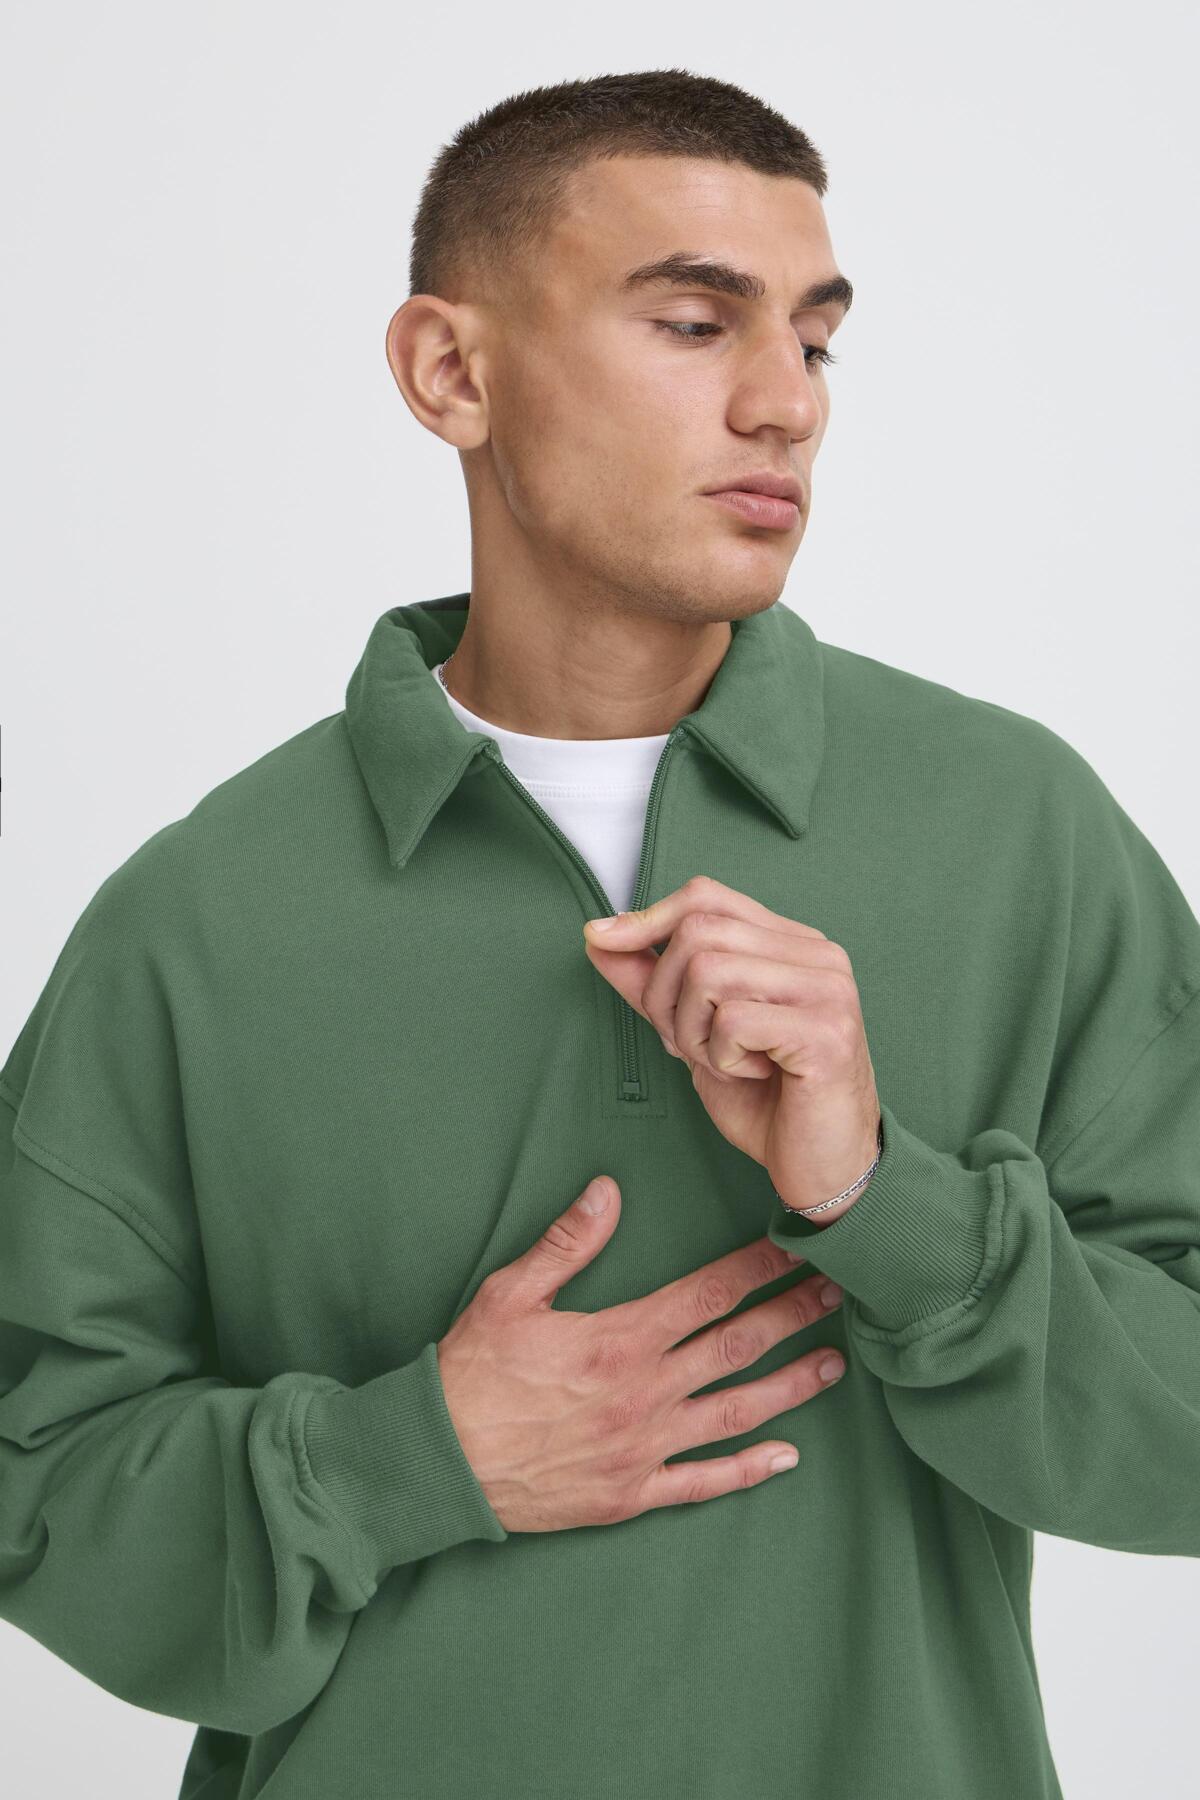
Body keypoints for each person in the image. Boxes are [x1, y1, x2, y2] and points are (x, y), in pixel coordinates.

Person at [2, 65, 1198, 1800]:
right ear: (452, 372)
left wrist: (891, 1204)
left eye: (816, 339)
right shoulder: (198, 915)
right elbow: (34, 1487)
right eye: (697, 325)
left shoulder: (1018, 833)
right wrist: (411, 1458)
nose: (786, 404)